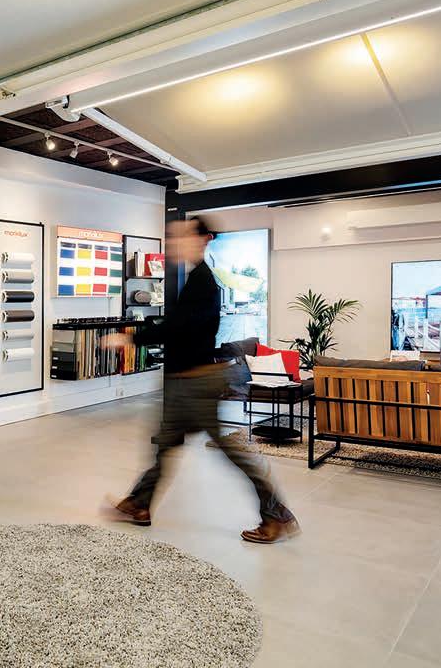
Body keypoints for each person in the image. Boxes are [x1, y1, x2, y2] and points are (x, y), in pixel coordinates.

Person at [102, 216, 299, 544]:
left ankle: (275, 513)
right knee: (166, 444)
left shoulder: (203, 282)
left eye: (180, 237)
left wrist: (132, 338)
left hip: (197, 384)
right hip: (184, 381)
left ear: (201, 240)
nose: (174, 243)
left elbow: (178, 328)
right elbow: (180, 327)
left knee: (231, 450)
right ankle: (140, 504)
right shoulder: (196, 279)